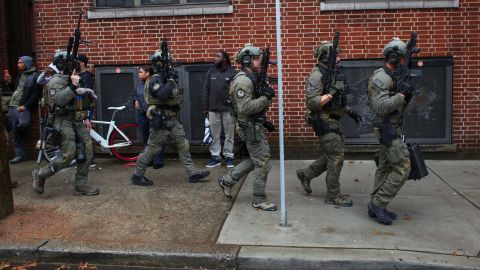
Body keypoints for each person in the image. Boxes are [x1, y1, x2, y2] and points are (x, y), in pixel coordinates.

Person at [295, 40, 363, 207]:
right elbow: (312, 103)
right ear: (326, 57)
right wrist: (331, 93)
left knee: (332, 155)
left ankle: (306, 174)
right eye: (336, 56)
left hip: (334, 120)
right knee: (336, 157)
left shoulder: (331, 73)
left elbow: (337, 100)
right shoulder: (317, 75)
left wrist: (349, 110)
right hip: (324, 121)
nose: (339, 59)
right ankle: (333, 195)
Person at [130, 46, 210, 186]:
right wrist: (171, 80)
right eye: (164, 62)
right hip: (161, 120)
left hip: (172, 119)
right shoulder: (154, 79)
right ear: (157, 63)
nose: (168, 64)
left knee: (183, 144)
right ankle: (138, 174)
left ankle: (192, 173)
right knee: (152, 148)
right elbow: (161, 94)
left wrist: (171, 80)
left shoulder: (163, 78)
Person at [217, 44, 277, 211]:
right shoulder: (243, 80)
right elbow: (245, 108)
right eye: (256, 59)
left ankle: (227, 180)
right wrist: (265, 98)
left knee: (255, 160)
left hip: (252, 124)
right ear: (246, 60)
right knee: (263, 163)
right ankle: (258, 199)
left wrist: (264, 121)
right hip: (247, 127)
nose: (259, 62)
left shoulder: (252, 77)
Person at [31, 50, 99, 196]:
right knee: (68, 155)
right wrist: (73, 86)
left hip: (78, 119)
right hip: (62, 121)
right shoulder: (55, 82)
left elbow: (81, 102)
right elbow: (60, 101)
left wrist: (86, 117)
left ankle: (81, 185)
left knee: (87, 151)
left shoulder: (74, 78)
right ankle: (41, 174)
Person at [367, 37, 414, 225]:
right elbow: (379, 107)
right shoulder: (381, 77)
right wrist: (401, 95)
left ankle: (375, 204)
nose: (403, 62)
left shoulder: (394, 76)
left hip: (392, 126)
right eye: (402, 58)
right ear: (393, 57)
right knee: (403, 167)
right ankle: (378, 204)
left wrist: (407, 96)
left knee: (385, 167)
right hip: (386, 128)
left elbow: (403, 108)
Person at [202, 50, 237, 168]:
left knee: (229, 135)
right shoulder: (211, 72)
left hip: (229, 110)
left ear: (225, 59)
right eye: (215, 56)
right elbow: (206, 90)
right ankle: (215, 157)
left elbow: (236, 92)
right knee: (215, 135)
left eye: (218, 56)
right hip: (213, 110)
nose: (215, 58)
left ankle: (229, 157)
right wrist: (205, 108)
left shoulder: (233, 73)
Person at [4, 56, 40, 164]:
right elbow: (17, 89)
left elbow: (36, 94)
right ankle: (20, 154)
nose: (18, 64)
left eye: (20, 63)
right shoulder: (21, 74)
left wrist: (26, 106)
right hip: (13, 105)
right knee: (15, 131)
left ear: (26, 63)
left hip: (22, 106)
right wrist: (9, 82)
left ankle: (23, 150)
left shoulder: (35, 76)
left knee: (23, 125)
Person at [134, 71, 165, 169]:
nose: (138, 74)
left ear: (147, 74)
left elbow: (160, 96)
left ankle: (158, 160)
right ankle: (149, 159)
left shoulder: (154, 82)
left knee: (156, 137)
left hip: (153, 114)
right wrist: (134, 100)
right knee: (145, 138)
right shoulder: (139, 83)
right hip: (141, 113)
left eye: (141, 72)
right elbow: (135, 95)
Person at [77, 54, 97, 171]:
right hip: (79, 108)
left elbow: (86, 95)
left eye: (77, 61)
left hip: (85, 107)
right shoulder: (76, 75)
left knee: (86, 135)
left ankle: (91, 161)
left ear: (82, 63)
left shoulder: (87, 76)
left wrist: (85, 114)